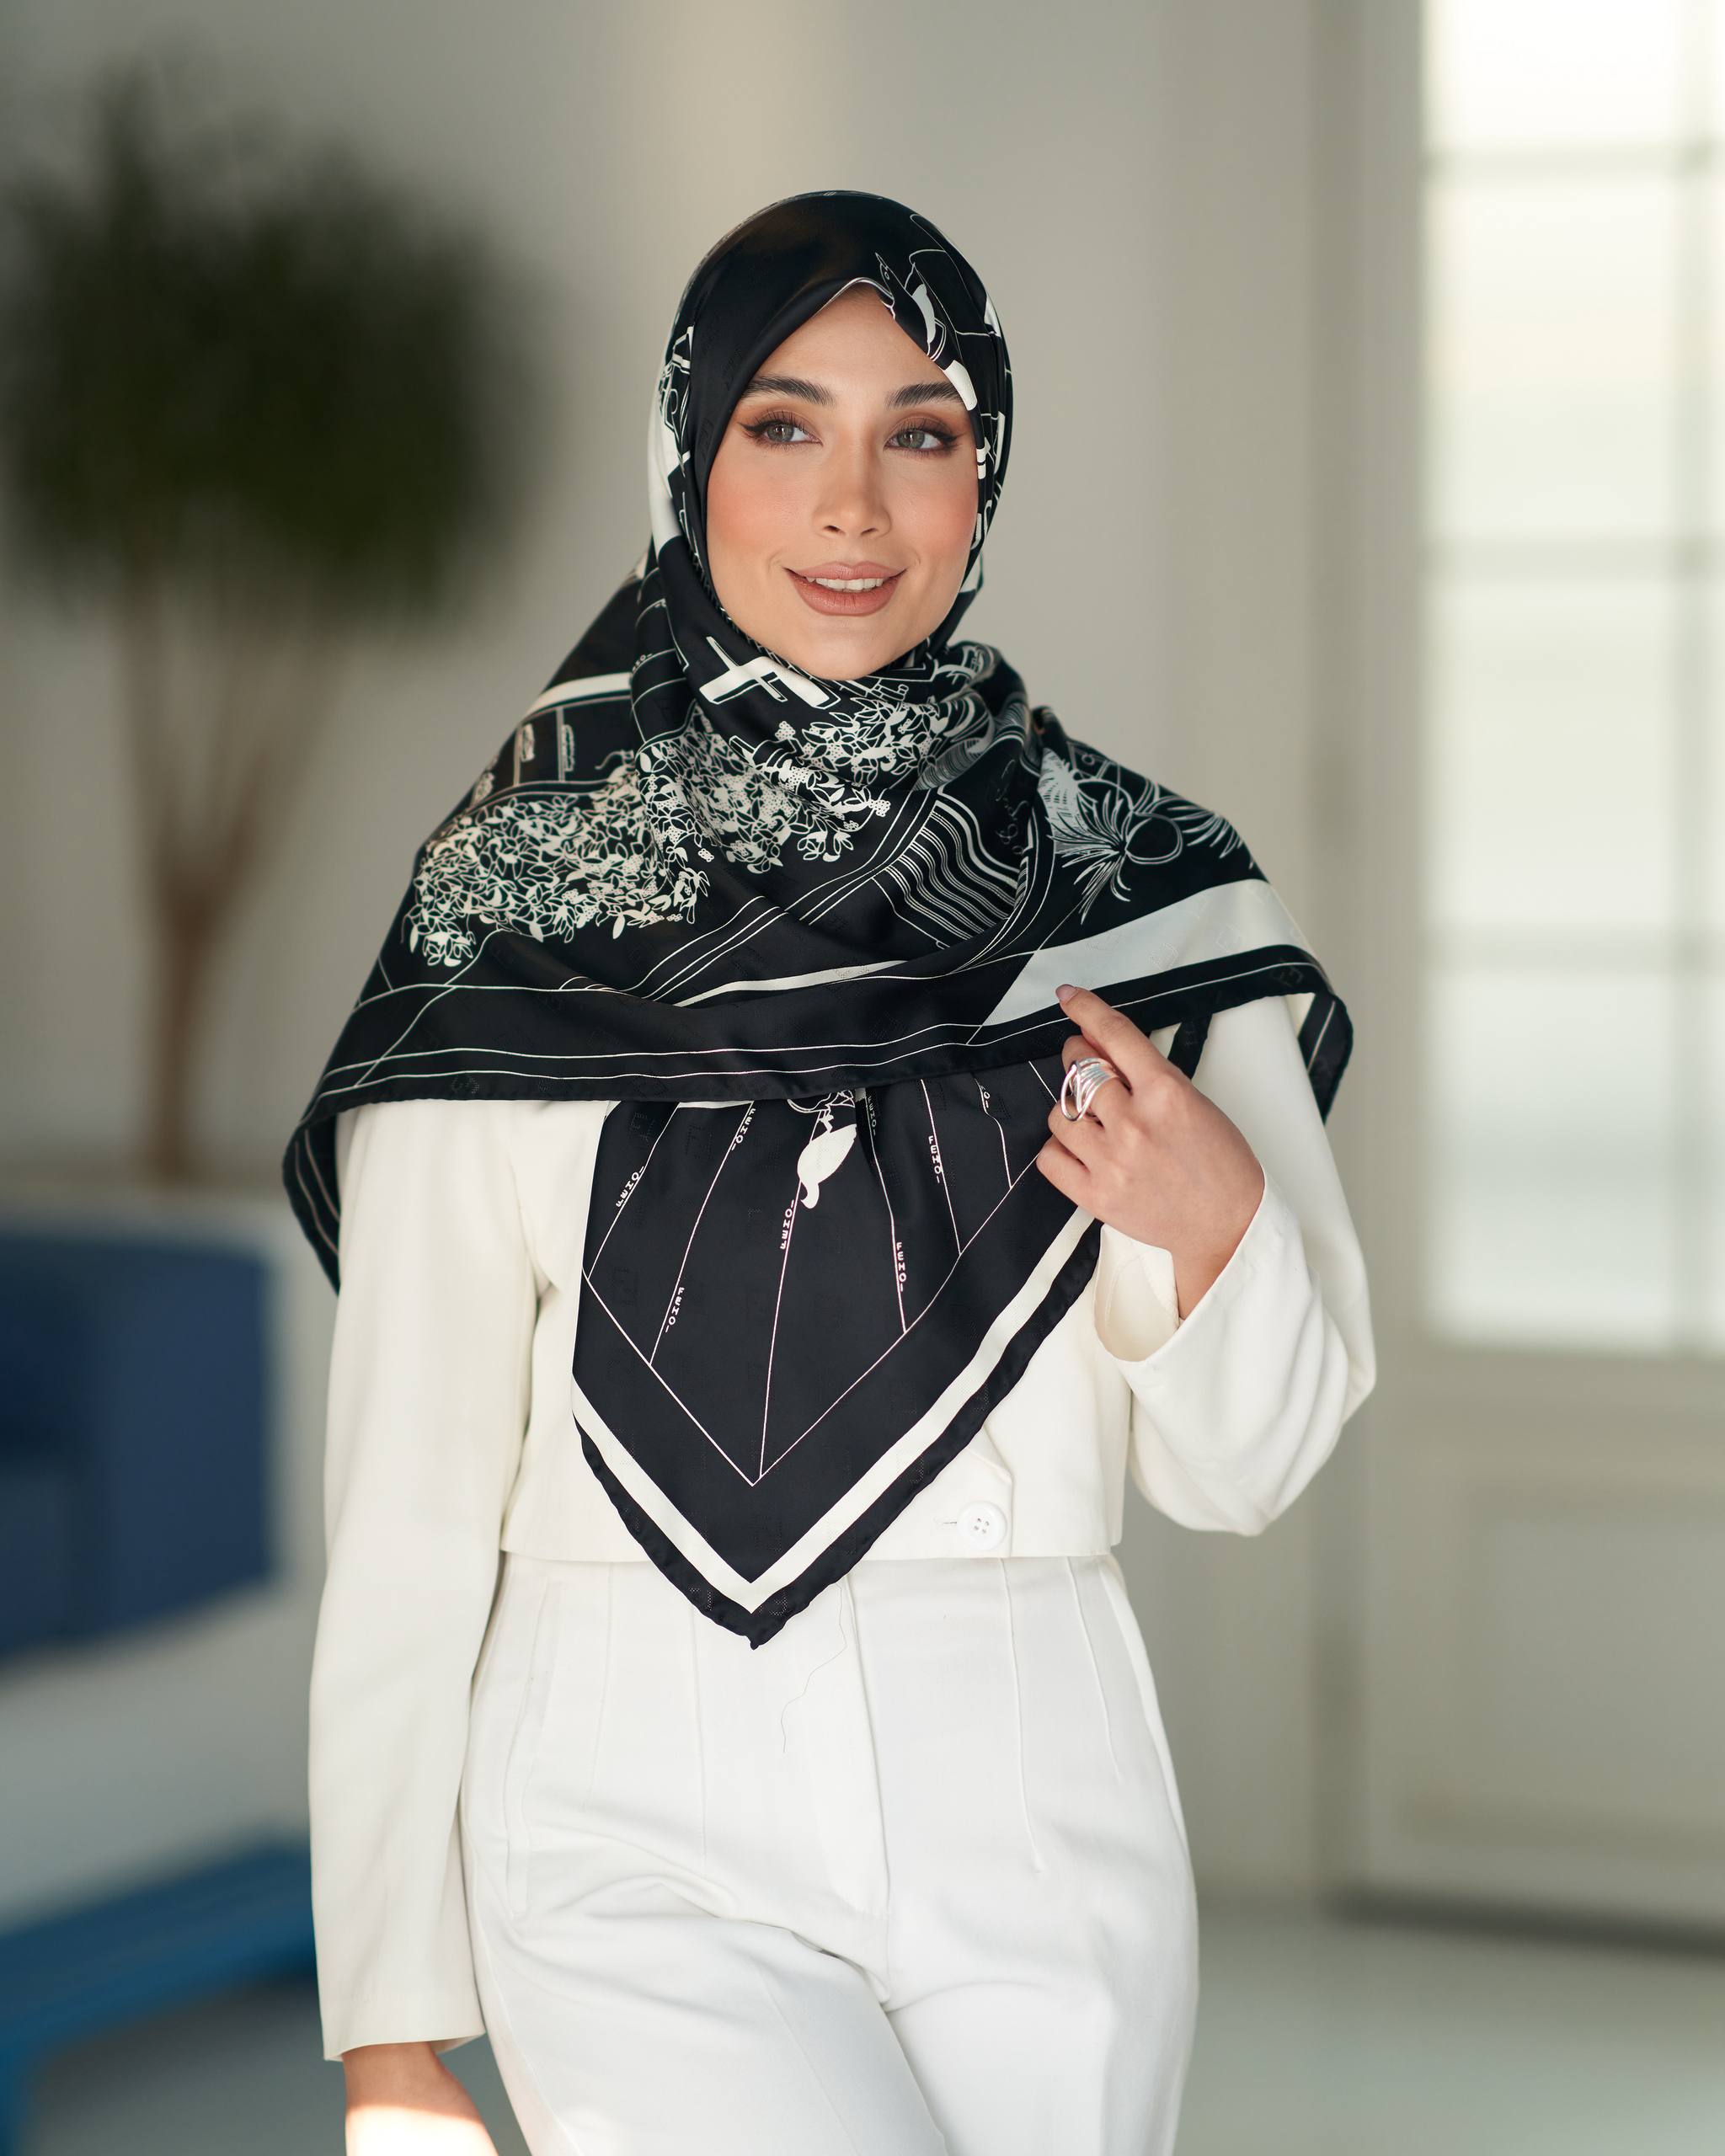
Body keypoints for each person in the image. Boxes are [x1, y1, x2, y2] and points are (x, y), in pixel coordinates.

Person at [283, 190, 1375, 2156]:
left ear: (984, 472)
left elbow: (1244, 1469)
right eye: (783, 425)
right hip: (620, 1790)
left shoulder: (1141, 891)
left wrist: (1214, 1223)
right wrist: (389, 2025)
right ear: (689, 458)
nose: (852, 505)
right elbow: (412, 1503)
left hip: (1037, 1785)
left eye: (919, 432)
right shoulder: (508, 909)